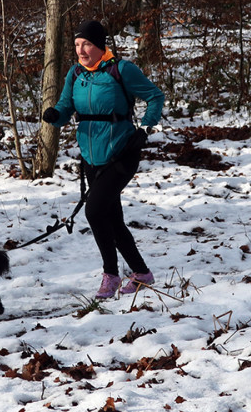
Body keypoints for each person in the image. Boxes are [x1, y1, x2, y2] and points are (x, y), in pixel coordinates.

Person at [42, 20, 165, 298]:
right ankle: (142, 273)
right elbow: (65, 107)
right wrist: (55, 116)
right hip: (90, 156)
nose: (81, 50)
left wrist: (145, 129)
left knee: (94, 212)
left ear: (100, 45)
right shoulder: (75, 74)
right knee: (113, 219)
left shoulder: (121, 70)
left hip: (122, 153)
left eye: (86, 44)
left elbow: (155, 96)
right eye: (76, 45)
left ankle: (110, 274)